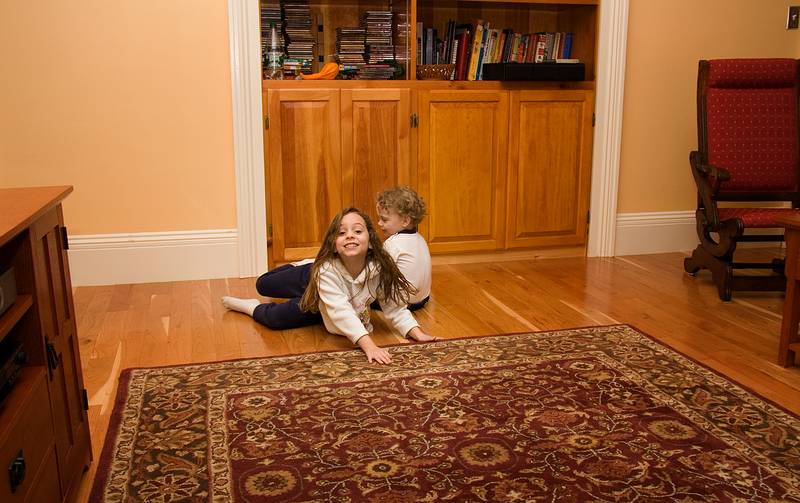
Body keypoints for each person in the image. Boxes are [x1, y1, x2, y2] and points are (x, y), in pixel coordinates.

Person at [222, 208, 435, 364]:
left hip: (325, 303)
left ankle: (250, 306)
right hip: (314, 276)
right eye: (341, 233)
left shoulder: (378, 270)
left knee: (276, 318)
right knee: (263, 285)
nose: (349, 235)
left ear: (371, 242)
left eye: (357, 231)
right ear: (334, 244)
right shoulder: (326, 270)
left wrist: (415, 332)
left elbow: (393, 306)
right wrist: (369, 345)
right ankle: (305, 264)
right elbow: (342, 311)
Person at [375, 186, 431, 310]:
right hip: (422, 299)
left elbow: (376, 271)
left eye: (384, 219)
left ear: (405, 220)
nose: (379, 223)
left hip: (401, 303)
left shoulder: (393, 243)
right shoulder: (421, 239)